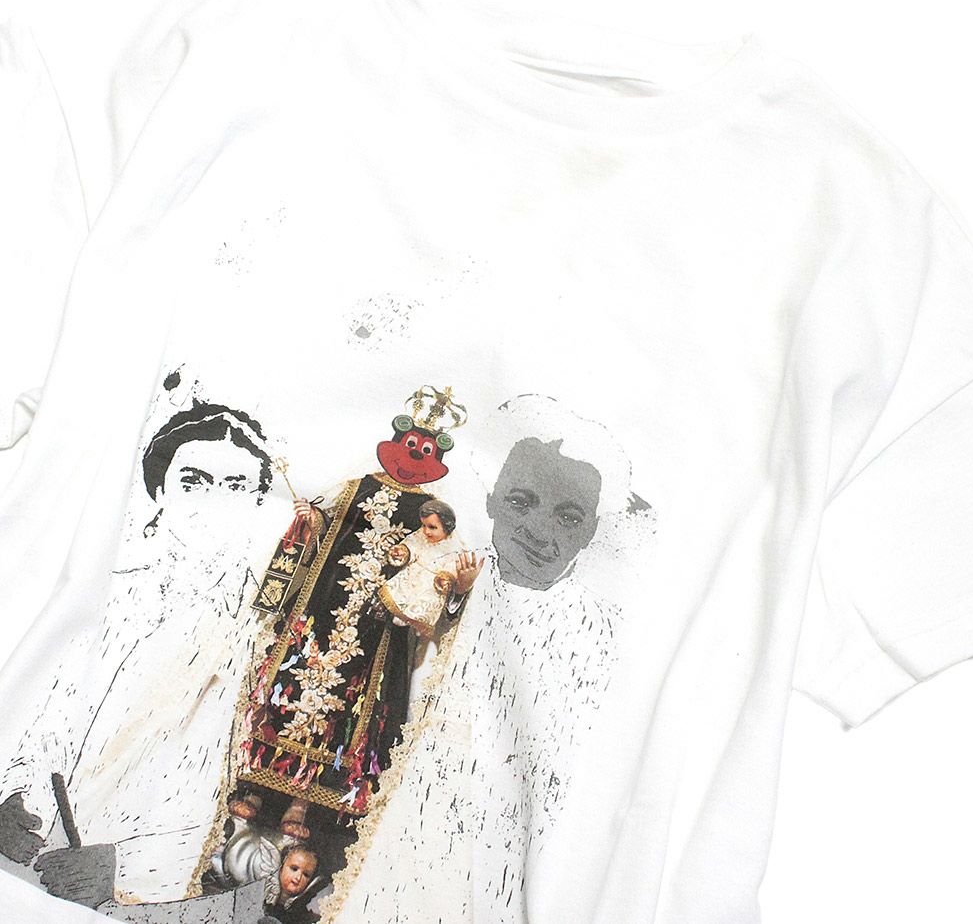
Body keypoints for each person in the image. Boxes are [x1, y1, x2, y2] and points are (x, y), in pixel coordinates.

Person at [329, 395, 652, 924]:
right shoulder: (450, 569)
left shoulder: (602, 632)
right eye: (522, 503)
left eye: (568, 517)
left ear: (590, 532)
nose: (539, 531)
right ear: (493, 500)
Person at [0, 395, 275, 907]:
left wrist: (120, 867)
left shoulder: (255, 635)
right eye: (194, 482)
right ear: (160, 489)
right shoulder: (108, 590)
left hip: (122, 886)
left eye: (235, 486)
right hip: (24, 851)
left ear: (260, 500)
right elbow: (45, 708)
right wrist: (10, 792)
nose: (212, 501)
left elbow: (205, 782)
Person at [218, 388, 484, 889]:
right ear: (396, 442)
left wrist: (458, 588)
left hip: (377, 631)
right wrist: (312, 519)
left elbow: (440, 580)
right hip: (321, 609)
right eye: (411, 444)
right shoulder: (357, 486)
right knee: (291, 689)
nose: (414, 455)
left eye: (425, 450)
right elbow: (327, 528)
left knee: (345, 712)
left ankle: (302, 802)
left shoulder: (434, 516)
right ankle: (257, 785)